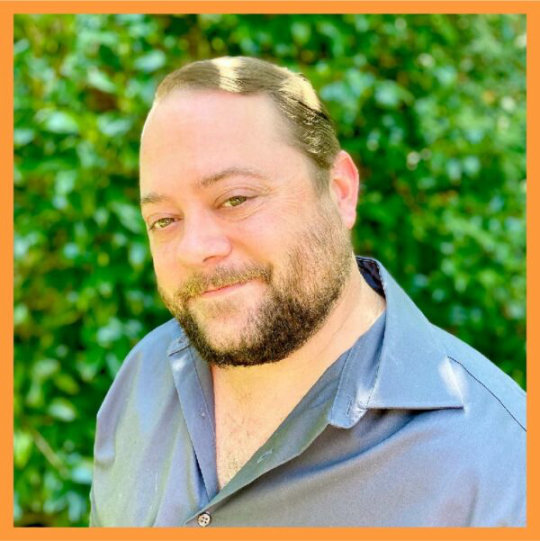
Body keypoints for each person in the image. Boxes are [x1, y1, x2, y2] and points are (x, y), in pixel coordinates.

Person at [89, 56, 526, 527]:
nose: (196, 248)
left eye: (235, 199)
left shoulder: (499, 463)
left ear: (340, 191)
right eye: (164, 220)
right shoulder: (143, 379)